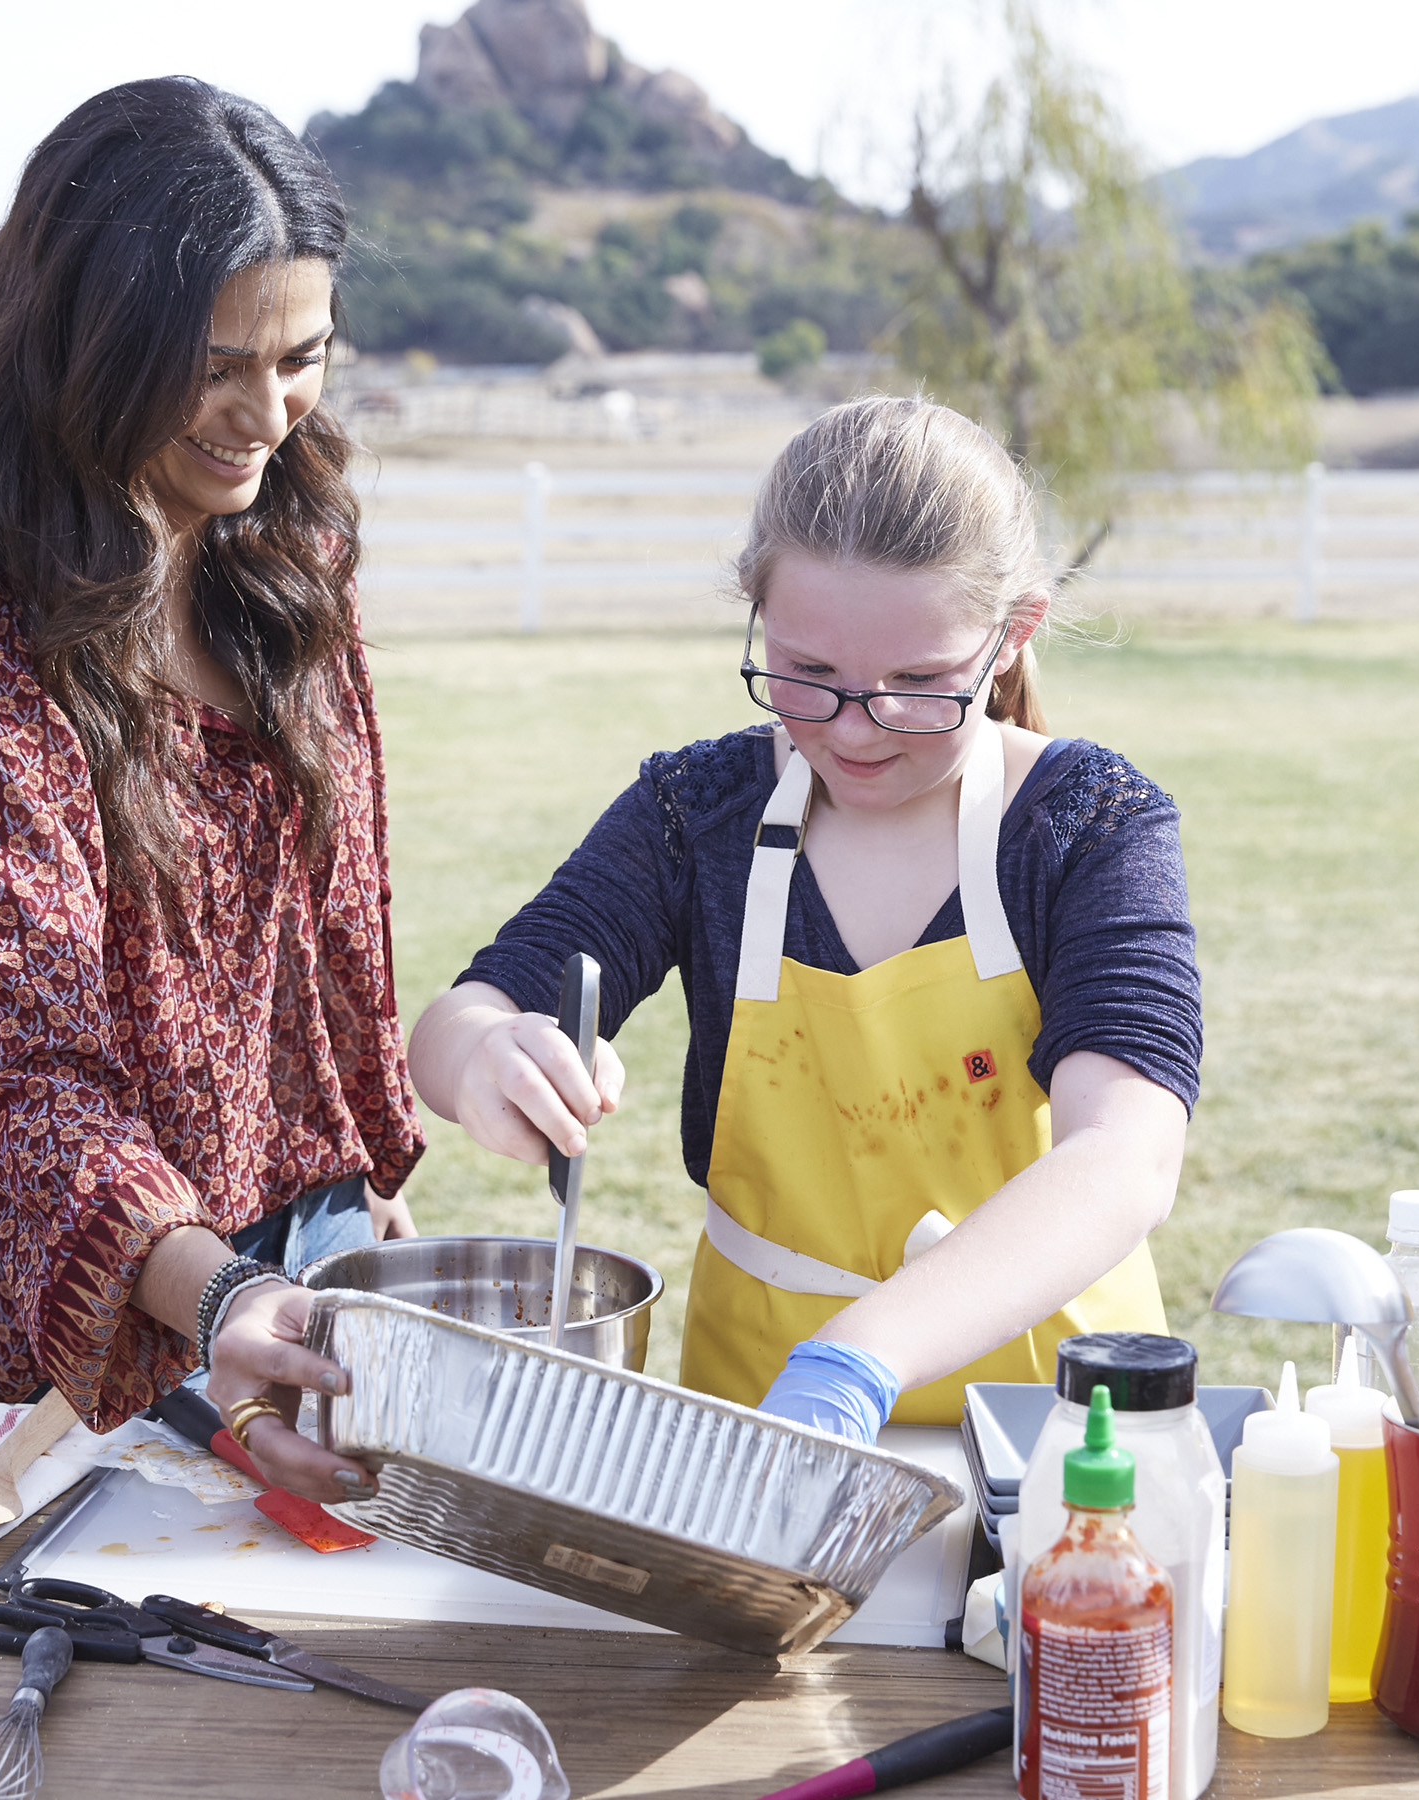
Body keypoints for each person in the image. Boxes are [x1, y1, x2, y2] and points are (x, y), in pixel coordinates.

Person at [0, 78, 410, 1502]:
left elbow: (341, 917)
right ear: (92, 342)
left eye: (300, 356)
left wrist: (370, 1171)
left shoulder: (289, 558)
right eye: (212, 368)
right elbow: (21, 1081)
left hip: (301, 1258)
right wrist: (212, 1308)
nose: (263, 415)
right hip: (84, 1325)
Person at [408, 398, 1200, 1442]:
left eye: (917, 685)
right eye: (808, 675)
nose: (856, 728)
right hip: (760, 1417)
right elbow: (461, 1015)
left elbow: (1126, 1155)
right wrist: (485, 1056)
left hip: (1050, 1432)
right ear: (756, 613)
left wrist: (859, 1357)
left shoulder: (1088, 824)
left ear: (1011, 637)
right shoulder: (697, 816)